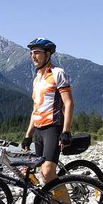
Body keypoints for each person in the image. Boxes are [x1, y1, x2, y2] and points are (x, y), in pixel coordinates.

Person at [20, 38, 74, 185]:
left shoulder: (57, 73)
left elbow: (68, 103)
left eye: (37, 52)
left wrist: (66, 131)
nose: (33, 56)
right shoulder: (36, 80)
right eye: (31, 53)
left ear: (48, 54)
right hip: (38, 131)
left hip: (53, 127)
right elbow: (35, 109)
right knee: (43, 176)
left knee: (48, 172)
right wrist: (28, 135)